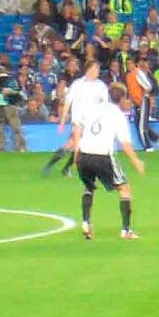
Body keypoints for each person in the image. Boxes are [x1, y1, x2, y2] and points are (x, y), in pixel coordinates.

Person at [75, 83, 146, 242]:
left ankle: (86, 222)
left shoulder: (93, 108)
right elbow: (125, 143)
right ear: (122, 99)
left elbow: (78, 127)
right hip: (103, 155)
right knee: (124, 188)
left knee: (89, 186)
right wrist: (136, 161)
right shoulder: (118, 115)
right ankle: (126, 231)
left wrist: (76, 153)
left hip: (84, 154)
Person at [43, 59, 109, 176]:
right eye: (96, 68)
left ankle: (65, 168)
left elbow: (105, 105)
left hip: (94, 121)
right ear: (89, 69)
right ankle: (50, 166)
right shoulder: (78, 84)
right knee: (72, 143)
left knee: (81, 145)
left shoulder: (101, 86)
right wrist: (62, 121)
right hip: (79, 120)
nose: (98, 71)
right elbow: (67, 102)